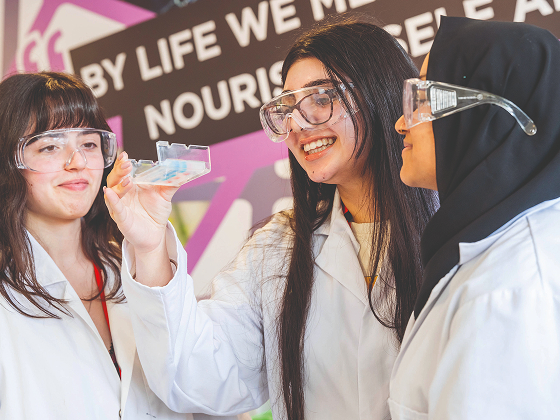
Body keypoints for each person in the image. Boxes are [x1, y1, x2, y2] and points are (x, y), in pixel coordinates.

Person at [105, 20, 437, 420]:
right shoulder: (280, 246)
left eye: (321, 97)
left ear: (381, 94)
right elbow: (200, 377)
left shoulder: (463, 227)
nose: (296, 124)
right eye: (287, 108)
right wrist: (149, 245)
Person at [0, 72, 234, 420]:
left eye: (89, 144)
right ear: (9, 162)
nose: (76, 161)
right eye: (50, 146)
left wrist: (150, 246)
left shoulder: (129, 265)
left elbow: (200, 387)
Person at [390, 16, 560, 419]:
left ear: (490, 115)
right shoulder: (500, 250)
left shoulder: (506, 289)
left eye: (425, 97)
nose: (401, 122)